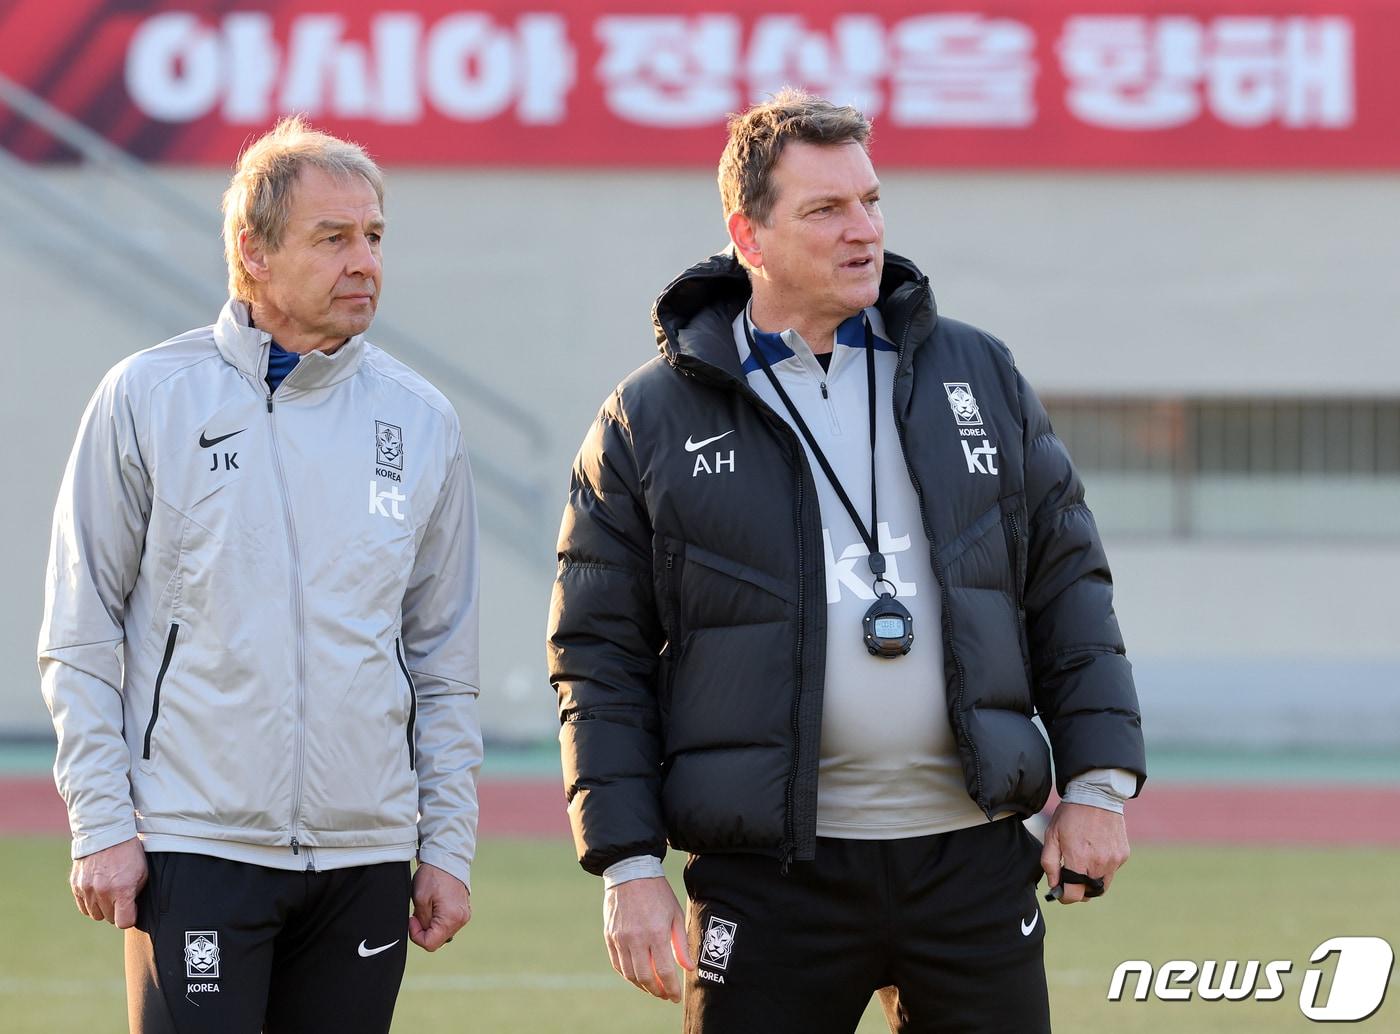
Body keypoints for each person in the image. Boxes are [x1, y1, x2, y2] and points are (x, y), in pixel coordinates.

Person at [547, 89, 1146, 1032]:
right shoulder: (650, 418)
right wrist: (627, 865)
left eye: (870, 201)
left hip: (972, 859)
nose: (862, 230)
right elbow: (598, 654)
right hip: (769, 877)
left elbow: (1068, 589)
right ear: (749, 236)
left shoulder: (977, 374)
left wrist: (1101, 785)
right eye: (826, 210)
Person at [38, 116, 481, 1033]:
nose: (364, 260)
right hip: (195, 845)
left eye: (374, 237)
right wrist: (101, 822)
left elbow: (442, 657)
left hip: (366, 858)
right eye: (333, 238)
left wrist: (447, 844)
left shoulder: (423, 420)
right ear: (254, 251)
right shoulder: (148, 398)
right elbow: (80, 632)